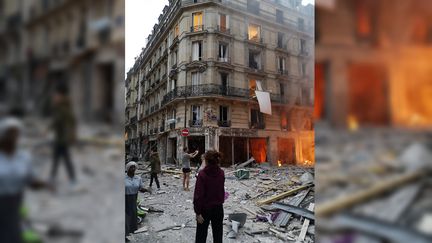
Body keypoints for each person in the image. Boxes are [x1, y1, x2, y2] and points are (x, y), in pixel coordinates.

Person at [0, 117, 52, 243]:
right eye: (10, 133)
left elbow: (30, 181)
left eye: (16, 134)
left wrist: (44, 184)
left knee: (14, 236)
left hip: (15, 203)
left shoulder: (24, 157)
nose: (13, 137)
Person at [193, 150, 225, 243]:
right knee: (218, 235)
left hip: (204, 209)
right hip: (218, 208)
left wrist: (197, 212)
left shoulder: (202, 174)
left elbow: (198, 195)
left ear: (206, 161)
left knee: (201, 235)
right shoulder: (221, 173)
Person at [50, 86, 77, 185]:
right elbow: (56, 121)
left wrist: (72, 136)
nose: (54, 97)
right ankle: (54, 177)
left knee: (63, 159)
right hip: (59, 138)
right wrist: (48, 128)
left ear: (60, 96)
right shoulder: (58, 108)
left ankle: (71, 179)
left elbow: (72, 121)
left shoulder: (64, 108)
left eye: (56, 96)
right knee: (59, 159)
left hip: (63, 139)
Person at [125, 161, 150, 241]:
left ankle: (128, 233)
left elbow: (140, 188)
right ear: (127, 169)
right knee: (125, 218)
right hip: (124, 199)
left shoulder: (138, 178)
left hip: (133, 199)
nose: (132, 169)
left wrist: (146, 190)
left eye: (134, 167)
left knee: (132, 218)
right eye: (131, 167)